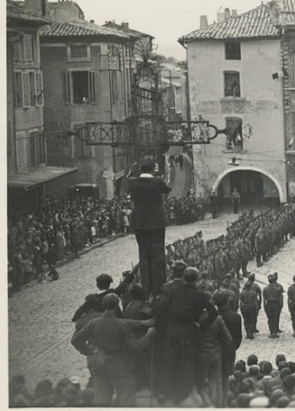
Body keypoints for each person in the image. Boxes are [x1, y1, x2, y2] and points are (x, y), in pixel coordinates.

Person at [71, 293, 154, 406]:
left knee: (103, 399)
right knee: (126, 394)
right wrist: (148, 335)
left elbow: (75, 340)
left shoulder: (94, 322)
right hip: (117, 364)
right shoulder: (120, 325)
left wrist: (92, 351)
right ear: (116, 306)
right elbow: (136, 347)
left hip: (99, 364)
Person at [153, 267, 218, 405]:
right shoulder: (202, 295)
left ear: (183, 277)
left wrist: (164, 326)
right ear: (197, 279)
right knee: (186, 363)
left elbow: (159, 310)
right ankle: (181, 394)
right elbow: (213, 313)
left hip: (172, 330)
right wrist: (202, 326)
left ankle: (166, 391)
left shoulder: (173, 291)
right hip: (189, 330)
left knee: (169, 360)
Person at [128, 158, 172, 296]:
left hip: (139, 222)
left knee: (144, 254)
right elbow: (168, 189)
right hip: (156, 222)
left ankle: (146, 286)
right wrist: (166, 173)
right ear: (153, 169)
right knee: (157, 254)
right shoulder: (157, 182)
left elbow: (128, 179)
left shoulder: (132, 182)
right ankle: (158, 286)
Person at [240, 274, 262, 339]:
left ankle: (247, 333)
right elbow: (258, 297)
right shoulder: (255, 289)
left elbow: (241, 301)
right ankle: (252, 333)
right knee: (252, 319)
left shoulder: (243, 292)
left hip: (245, 306)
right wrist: (258, 305)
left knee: (246, 320)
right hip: (252, 306)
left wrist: (241, 308)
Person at [262, 274, 284, 338]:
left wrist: (264, 306)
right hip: (276, 303)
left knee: (270, 319)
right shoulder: (278, 288)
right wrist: (281, 305)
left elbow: (264, 299)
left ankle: (271, 332)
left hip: (268, 304)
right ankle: (275, 332)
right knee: (276, 318)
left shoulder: (265, 289)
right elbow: (280, 298)